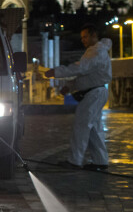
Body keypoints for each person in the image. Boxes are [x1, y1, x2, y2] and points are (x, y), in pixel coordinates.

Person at [45, 24, 112, 170]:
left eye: (85, 36)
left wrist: (57, 72)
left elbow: (81, 68)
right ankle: (100, 161)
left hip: (93, 94)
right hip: (95, 92)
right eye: (81, 37)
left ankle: (75, 161)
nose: (83, 40)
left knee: (82, 127)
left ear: (94, 35)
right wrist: (70, 86)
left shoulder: (97, 52)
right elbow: (86, 75)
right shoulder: (95, 51)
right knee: (94, 128)